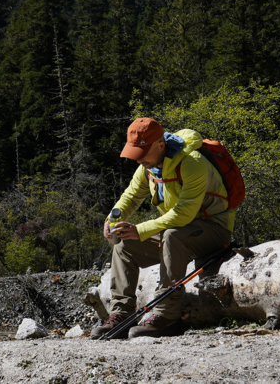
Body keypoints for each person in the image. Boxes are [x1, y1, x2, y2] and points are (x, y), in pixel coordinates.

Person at [90, 118, 234, 339]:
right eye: (135, 152)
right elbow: (130, 197)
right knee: (125, 245)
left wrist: (141, 229)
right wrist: (112, 219)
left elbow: (183, 213)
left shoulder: (191, 162)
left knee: (172, 235)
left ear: (160, 145)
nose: (138, 158)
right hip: (178, 233)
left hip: (213, 231)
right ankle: (121, 315)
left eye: (142, 152)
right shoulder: (148, 168)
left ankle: (167, 316)